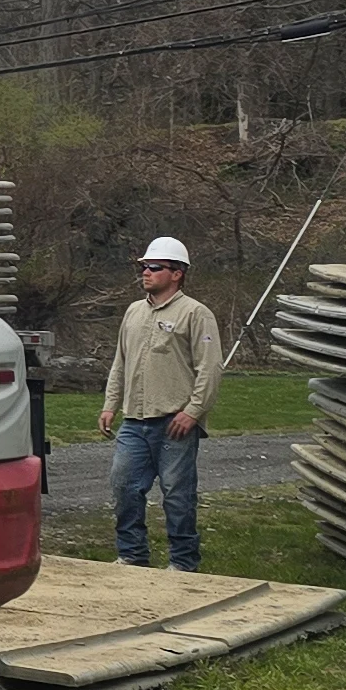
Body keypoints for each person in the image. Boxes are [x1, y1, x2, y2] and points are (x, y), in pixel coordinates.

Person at [97, 235, 222, 571]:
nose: (146, 272)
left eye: (155, 267)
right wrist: (110, 404)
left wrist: (193, 412)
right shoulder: (134, 312)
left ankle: (183, 563)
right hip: (134, 421)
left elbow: (210, 367)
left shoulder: (196, 314)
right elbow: (120, 362)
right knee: (123, 486)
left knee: (177, 495)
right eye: (144, 267)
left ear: (177, 273)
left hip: (174, 423)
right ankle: (132, 555)